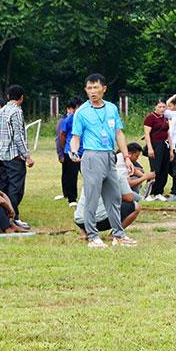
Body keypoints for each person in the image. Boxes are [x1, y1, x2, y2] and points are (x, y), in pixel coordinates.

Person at [69, 73, 136, 248]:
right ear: (85, 90)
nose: (92, 91)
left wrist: (126, 157)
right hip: (92, 156)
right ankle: (93, 237)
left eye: (96, 87)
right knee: (92, 197)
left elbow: (119, 133)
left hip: (109, 155)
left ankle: (118, 236)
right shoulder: (81, 112)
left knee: (113, 197)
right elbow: (76, 136)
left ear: (104, 89)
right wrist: (74, 151)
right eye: (89, 88)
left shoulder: (112, 108)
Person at [0, 84, 33, 227]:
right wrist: (27, 155)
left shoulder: (2, 110)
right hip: (14, 156)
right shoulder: (16, 111)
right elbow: (18, 136)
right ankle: (14, 216)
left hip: (2, 154)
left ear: (7, 96)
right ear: (21, 98)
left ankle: (3, 215)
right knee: (15, 188)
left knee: (4, 185)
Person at [73, 156, 139, 234]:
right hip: (100, 222)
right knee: (136, 206)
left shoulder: (89, 175)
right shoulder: (117, 175)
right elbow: (129, 198)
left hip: (79, 220)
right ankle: (116, 234)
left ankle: (84, 233)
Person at [142, 100, 172, 200]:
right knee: (155, 169)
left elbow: (168, 134)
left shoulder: (165, 118)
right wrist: (150, 148)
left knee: (164, 169)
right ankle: (149, 192)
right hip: (155, 144)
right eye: (160, 107)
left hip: (165, 144)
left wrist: (171, 149)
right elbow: (146, 134)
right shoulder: (150, 118)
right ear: (155, 107)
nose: (162, 109)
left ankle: (159, 192)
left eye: (164, 107)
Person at [56, 98, 80, 205]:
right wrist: (64, 148)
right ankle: (72, 198)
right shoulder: (68, 120)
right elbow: (62, 135)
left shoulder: (83, 118)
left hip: (83, 150)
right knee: (71, 174)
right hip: (71, 150)